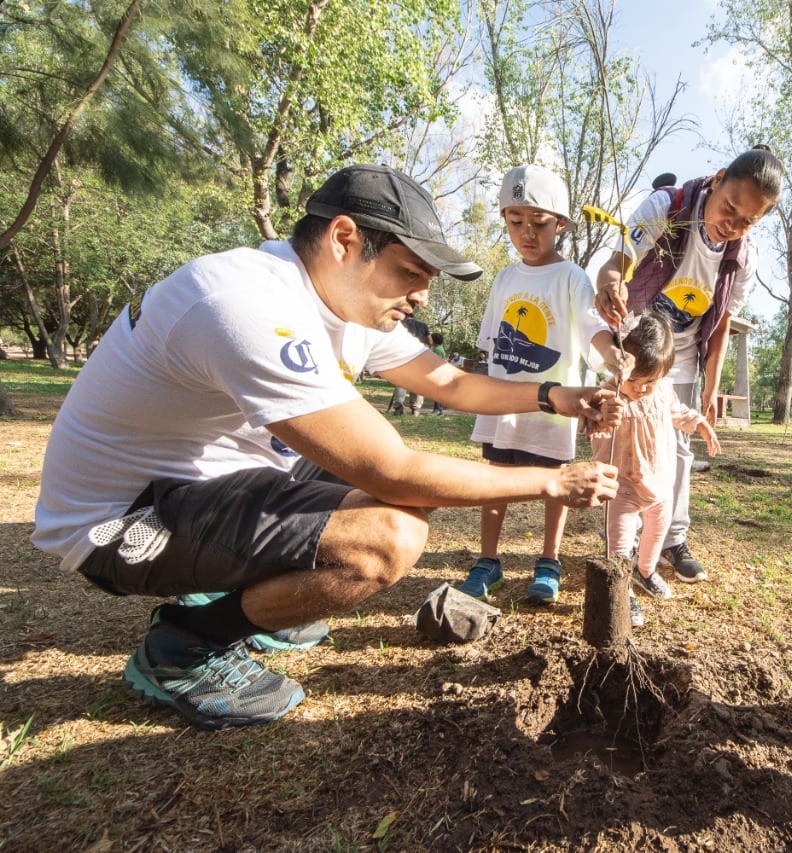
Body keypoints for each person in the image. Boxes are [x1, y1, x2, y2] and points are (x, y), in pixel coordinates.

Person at [31, 163, 621, 731]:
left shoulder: (346, 308)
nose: (421, 297)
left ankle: (264, 600)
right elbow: (394, 470)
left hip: (200, 487)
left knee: (390, 485)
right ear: (345, 239)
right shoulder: (247, 305)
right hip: (121, 524)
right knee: (392, 533)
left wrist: (557, 395)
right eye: (411, 272)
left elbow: (451, 382)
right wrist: (553, 480)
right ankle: (186, 644)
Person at [594, 145, 783, 584]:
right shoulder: (668, 206)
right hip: (638, 344)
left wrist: (710, 389)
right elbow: (618, 261)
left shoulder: (744, 257)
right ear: (717, 180)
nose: (730, 225)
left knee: (677, 448)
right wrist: (611, 283)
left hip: (683, 356)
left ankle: (670, 540)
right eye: (728, 208)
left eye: (746, 222)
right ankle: (621, 538)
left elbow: (720, 327)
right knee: (621, 439)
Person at [459, 164, 629, 606]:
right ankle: (488, 561)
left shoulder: (571, 276)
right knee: (495, 478)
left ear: (561, 224)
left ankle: (549, 560)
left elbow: (593, 328)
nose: (526, 234)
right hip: (503, 403)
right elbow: (491, 342)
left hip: (557, 406)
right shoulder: (505, 278)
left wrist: (612, 355)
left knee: (558, 479)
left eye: (539, 224)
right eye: (516, 222)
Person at [589, 312, 721, 628]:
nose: (643, 389)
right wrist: (602, 417)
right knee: (619, 546)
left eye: (651, 381)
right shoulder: (609, 394)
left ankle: (645, 571)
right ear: (619, 365)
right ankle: (622, 592)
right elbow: (590, 423)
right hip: (622, 488)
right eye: (635, 380)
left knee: (655, 536)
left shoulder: (661, 389)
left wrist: (699, 422)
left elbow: (677, 411)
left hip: (659, 484)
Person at [386, 316, 431, 415]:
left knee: (401, 383)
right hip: (419, 357)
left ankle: (398, 407)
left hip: (403, 356)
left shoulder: (400, 325)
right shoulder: (423, 325)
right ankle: (416, 409)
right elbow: (430, 341)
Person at [428, 332, 448, 414]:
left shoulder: (437, 350)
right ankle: (439, 411)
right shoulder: (439, 348)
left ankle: (437, 409)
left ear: (434, 340)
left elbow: (436, 362)